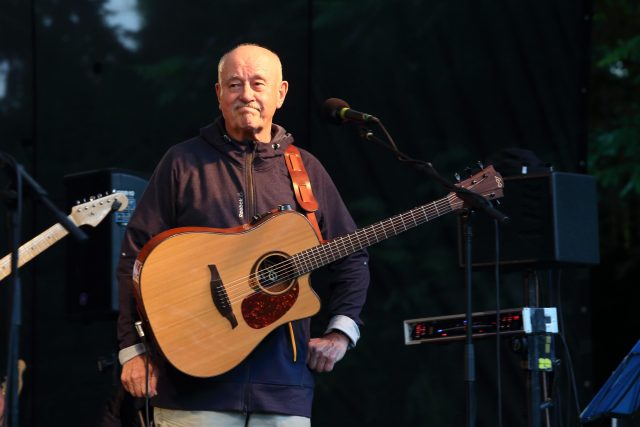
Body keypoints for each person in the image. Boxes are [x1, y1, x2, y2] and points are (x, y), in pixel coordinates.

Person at [116, 43, 370, 426]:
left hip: (283, 391)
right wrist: (132, 349)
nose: (246, 95)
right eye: (234, 85)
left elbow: (352, 256)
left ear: (280, 93)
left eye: (257, 83)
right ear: (218, 94)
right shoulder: (182, 163)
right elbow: (133, 259)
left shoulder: (306, 171)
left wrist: (341, 333)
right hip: (191, 389)